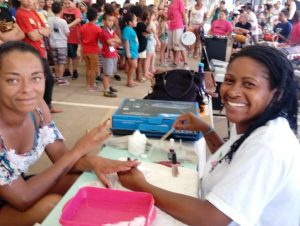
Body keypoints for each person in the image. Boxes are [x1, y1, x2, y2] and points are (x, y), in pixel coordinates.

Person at [119, 45, 300, 226]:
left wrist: (141, 186)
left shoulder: (267, 146)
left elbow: (211, 219)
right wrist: (206, 130)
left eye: (248, 84)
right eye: (229, 80)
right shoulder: (259, 126)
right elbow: (230, 159)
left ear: (277, 94)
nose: (233, 92)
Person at [0, 41, 139, 226]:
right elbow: (23, 198)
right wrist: (78, 150)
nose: (27, 89)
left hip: (17, 186)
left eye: (36, 78)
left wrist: (94, 162)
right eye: (13, 80)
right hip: (16, 195)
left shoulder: (39, 109)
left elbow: (61, 158)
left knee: (83, 182)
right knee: (51, 206)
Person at [16, 0, 62, 114]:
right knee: (46, 80)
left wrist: (39, 32)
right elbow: (32, 36)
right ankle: (43, 107)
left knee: (46, 80)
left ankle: (45, 106)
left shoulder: (34, 12)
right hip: (30, 53)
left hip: (40, 51)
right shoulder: (20, 13)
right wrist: (40, 31)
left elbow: (48, 31)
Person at [48, 1, 70, 85]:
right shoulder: (63, 22)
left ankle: (57, 77)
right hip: (61, 44)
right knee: (62, 62)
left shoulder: (49, 19)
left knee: (56, 62)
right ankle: (60, 79)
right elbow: (67, 33)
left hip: (53, 43)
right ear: (61, 10)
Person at [99, 13, 121, 97]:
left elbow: (119, 41)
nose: (111, 22)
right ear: (104, 21)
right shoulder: (103, 32)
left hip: (113, 54)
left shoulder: (112, 31)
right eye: (109, 20)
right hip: (107, 55)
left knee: (110, 72)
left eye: (112, 21)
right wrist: (114, 40)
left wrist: (114, 40)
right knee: (106, 73)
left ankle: (108, 86)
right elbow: (109, 42)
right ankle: (106, 90)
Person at [80, 7, 102, 91]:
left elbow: (81, 39)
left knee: (88, 68)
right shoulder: (97, 29)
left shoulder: (83, 27)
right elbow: (100, 40)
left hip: (85, 49)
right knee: (93, 69)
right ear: (96, 17)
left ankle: (88, 84)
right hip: (93, 50)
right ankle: (91, 85)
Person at [62, 0, 81, 80]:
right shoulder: (63, 10)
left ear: (74, 3)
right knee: (66, 54)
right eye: (65, 3)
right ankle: (66, 70)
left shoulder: (76, 10)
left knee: (73, 54)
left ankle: (75, 70)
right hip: (64, 36)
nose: (67, 5)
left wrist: (69, 25)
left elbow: (78, 19)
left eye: (69, 3)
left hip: (73, 36)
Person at [122, 12, 139, 87]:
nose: (136, 22)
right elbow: (126, 41)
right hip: (130, 51)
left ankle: (130, 80)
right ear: (130, 22)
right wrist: (128, 52)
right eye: (135, 20)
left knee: (132, 66)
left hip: (133, 51)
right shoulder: (127, 29)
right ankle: (129, 81)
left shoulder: (130, 29)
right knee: (133, 66)